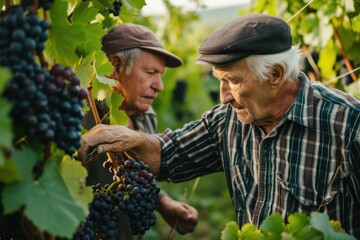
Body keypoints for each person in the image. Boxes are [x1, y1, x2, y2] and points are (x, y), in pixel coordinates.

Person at [79, 14, 360, 238]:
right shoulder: (227, 119)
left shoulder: (348, 125)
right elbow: (168, 154)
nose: (223, 96)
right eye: (219, 81)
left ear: (276, 74)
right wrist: (132, 139)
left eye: (233, 81)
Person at [82, 23, 198, 239]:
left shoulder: (146, 115)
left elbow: (134, 176)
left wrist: (162, 202)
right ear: (116, 67)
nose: (160, 86)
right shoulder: (81, 117)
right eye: (151, 72)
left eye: (161, 75)